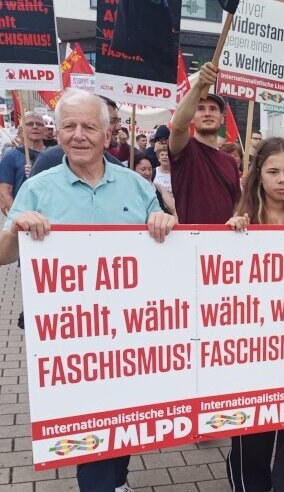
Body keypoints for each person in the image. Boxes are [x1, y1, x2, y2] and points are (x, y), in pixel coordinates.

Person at [0, 88, 176, 492]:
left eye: (89, 127)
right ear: (56, 133)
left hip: (131, 329)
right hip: (71, 336)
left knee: (125, 416)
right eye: (69, 126)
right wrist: (15, 228)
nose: (78, 135)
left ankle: (119, 481)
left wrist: (165, 224)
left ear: (108, 132)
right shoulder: (38, 188)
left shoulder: (136, 186)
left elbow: (169, 249)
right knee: (87, 426)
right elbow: (3, 257)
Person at [226, 137, 284, 492]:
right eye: (273, 171)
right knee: (252, 447)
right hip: (251, 361)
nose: (282, 179)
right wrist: (229, 240)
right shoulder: (238, 225)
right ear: (257, 175)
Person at [169, 61, 241, 224]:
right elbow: (179, 125)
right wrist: (199, 85)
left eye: (213, 109)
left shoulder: (230, 161)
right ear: (192, 117)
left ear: (222, 118)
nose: (207, 113)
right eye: (200, 109)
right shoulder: (185, 148)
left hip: (224, 243)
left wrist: (237, 217)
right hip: (191, 242)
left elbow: (237, 202)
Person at [0, 111, 45, 216]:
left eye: (39, 124)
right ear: (20, 131)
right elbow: (5, 192)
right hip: (25, 217)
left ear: (44, 129)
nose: (35, 127)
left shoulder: (54, 154)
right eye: (29, 124)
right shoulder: (11, 156)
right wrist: (17, 218)